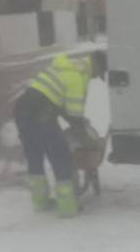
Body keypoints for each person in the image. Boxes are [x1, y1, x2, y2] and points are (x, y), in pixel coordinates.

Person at [13, 51, 108, 217]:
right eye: (98, 73)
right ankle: (67, 208)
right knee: (61, 157)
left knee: (34, 156)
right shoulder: (77, 78)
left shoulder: (67, 67)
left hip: (22, 111)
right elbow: (74, 115)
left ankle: (40, 202)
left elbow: (59, 104)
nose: (95, 77)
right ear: (95, 66)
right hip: (42, 115)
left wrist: (75, 120)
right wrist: (87, 140)